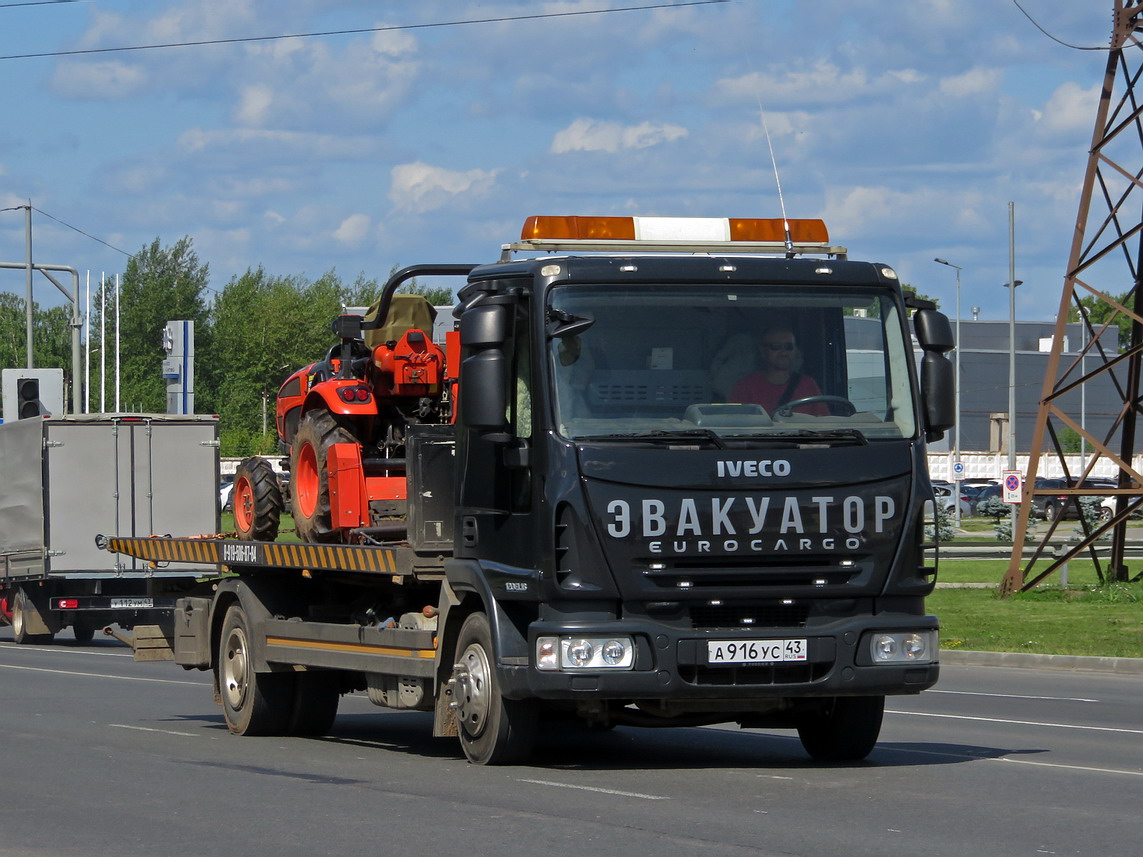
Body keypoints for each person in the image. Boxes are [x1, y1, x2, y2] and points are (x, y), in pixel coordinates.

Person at [731, 326, 828, 416]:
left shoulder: (808, 384)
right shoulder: (745, 386)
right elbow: (737, 426)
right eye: (776, 346)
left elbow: (824, 425)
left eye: (789, 346)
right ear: (762, 351)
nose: (784, 352)